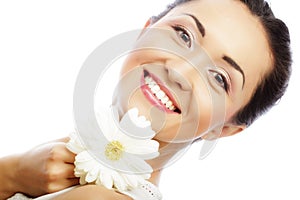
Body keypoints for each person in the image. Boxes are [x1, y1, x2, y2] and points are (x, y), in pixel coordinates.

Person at [0, 0, 292, 199]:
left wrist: (10, 175)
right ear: (145, 30)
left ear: (224, 128)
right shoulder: (48, 162)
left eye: (218, 78)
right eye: (183, 35)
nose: (178, 71)